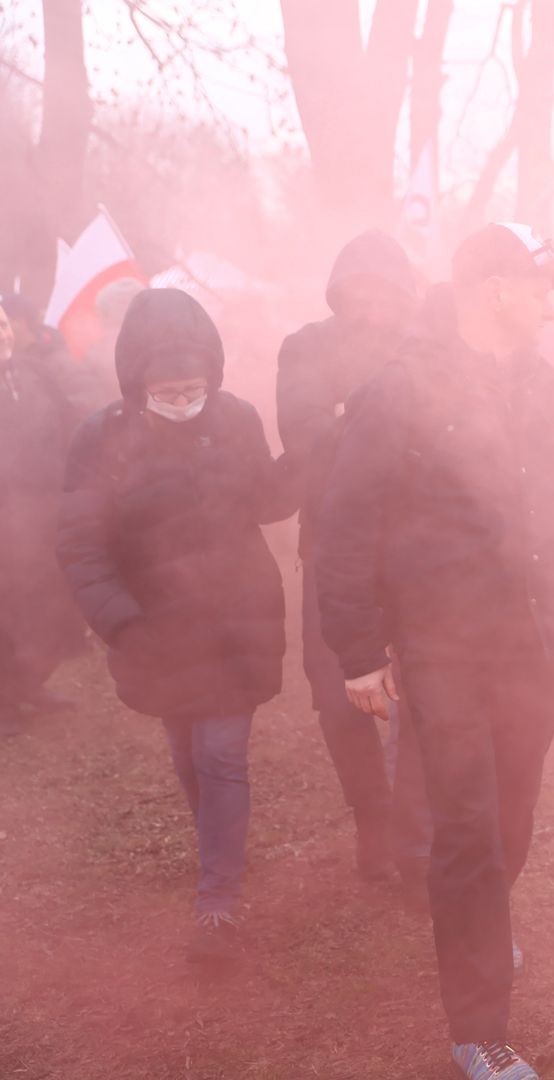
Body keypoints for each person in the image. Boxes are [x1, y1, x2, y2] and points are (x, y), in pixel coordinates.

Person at [316, 224, 554, 1080]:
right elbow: (345, 529)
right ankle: (478, 1028)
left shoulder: (549, 388)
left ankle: (481, 926)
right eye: (544, 284)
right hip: (443, 650)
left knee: (510, 823)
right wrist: (361, 650)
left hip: (536, 646)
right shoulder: (398, 391)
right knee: (471, 829)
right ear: (493, 287)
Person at [55, 287, 299, 964]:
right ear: (137, 385)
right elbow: (80, 544)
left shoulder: (237, 419)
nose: (183, 399)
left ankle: (217, 901)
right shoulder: (100, 439)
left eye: (194, 387)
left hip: (237, 619)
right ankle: (216, 848)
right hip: (154, 630)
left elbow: (265, 499)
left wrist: (311, 455)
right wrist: (121, 621)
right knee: (189, 752)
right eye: (167, 391)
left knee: (221, 753)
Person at [276, 231, 431, 890]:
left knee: (421, 694)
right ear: (340, 293)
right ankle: (373, 819)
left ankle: (416, 834)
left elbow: (437, 447)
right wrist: (373, 424)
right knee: (339, 699)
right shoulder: (306, 348)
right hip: (334, 544)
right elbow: (305, 441)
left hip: (416, 551)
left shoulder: (424, 351)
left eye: (386, 294)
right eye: (359, 293)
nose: (372, 308)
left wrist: (350, 416)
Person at [0, 296, 96, 734]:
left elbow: (68, 422)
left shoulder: (31, 370)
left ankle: (28, 683)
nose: (3, 333)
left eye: (3, 325)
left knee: (46, 603)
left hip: (44, 508)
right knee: (7, 607)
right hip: (7, 514)